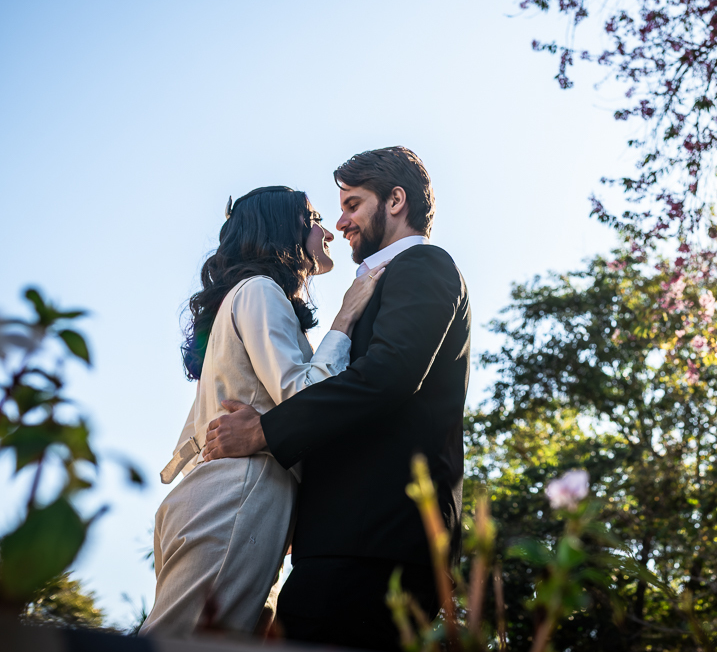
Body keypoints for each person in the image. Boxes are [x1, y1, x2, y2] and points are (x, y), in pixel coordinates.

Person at [203, 147, 471, 651]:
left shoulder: (423, 264)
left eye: (352, 205)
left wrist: (264, 431)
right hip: (346, 541)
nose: (341, 222)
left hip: (375, 540)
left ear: (396, 201)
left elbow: (387, 377)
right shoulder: (381, 280)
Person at [141, 186, 388, 638]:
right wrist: (345, 318)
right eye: (314, 219)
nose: (328, 231)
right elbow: (305, 398)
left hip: (236, 499)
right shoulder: (259, 291)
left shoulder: (251, 299)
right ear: (282, 228)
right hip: (235, 498)